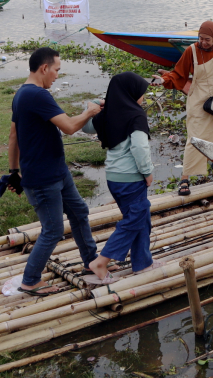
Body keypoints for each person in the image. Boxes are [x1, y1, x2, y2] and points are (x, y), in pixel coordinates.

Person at [8, 47, 101, 295]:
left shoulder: (21, 94)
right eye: (57, 70)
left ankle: (91, 263)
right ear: (44, 68)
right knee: (53, 229)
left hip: (57, 171)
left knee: (79, 212)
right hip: (43, 178)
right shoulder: (38, 96)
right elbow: (69, 127)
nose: (57, 76)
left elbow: (14, 135)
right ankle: (30, 280)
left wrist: (13, 170)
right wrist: (90, 112)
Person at [83, 72, 159, 283]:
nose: (143, 96)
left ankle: (143, 263)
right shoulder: (136, 115)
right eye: (141, 92)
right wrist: (148, 171)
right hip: (131, 178)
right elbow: (140, 147)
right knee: (134, 219)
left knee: (140, 217)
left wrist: (96, 103)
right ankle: (100, 262)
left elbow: (87, 126)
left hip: (114, 178)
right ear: (131, 93)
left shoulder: (109, 114)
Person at [155, 20, 213, 196]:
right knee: (194, 138)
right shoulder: (191, 51)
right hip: (199, 101)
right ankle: (185, 179)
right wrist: (165, 80)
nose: (203, 42)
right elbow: (179, 74)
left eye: (207, 39)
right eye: (201, 38)